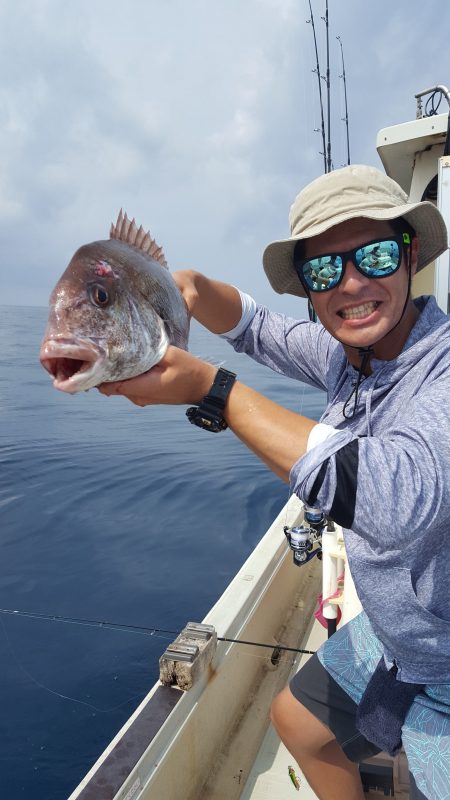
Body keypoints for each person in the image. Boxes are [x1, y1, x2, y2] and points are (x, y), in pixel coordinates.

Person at [99, 165, 450, 800]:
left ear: (410, 254)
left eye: (374, 255)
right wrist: (190, 289)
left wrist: (215, 391)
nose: (351, 284)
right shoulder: (352, 357)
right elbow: (256, 328)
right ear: (309, 287)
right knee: (297, 719)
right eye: (325, 270)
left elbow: (396, 500)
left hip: (445, 659)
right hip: (399, 635)